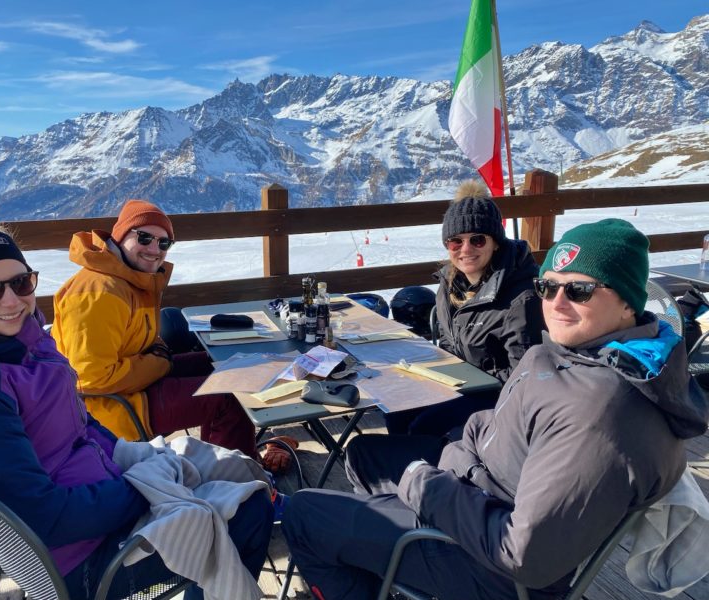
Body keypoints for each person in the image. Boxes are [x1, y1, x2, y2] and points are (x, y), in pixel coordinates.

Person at [282, 218, 709, 600]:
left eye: (579, 290)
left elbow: (525, 558)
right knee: (364, 456)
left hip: (493, 571)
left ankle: (382, 563)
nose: (557, 303)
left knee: (304, 514)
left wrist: (426, 486)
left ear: (628, 302)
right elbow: (488, 424)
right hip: (483, 490)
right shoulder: (571, 354)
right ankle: (380, 568)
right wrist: (457, 466)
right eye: (547, 286)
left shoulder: (599, 415)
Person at [0, 203, 274, 600]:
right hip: (80, 562)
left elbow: (78, 422)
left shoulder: (21, 341)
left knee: (233, 472)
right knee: (249, 511)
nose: (12, 301)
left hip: (97, 492)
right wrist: (141, 489)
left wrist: (134, 459)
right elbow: (45, 519)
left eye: (21, 283)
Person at [51, 199, 258, 456]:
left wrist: (159, 357)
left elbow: (146, 341)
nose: (154, 248)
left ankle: (218, 461)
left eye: (164, 243)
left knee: (219, 365)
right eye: (144, 237)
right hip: (112, 409)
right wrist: (161, 364)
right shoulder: (97, 292)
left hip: (133, 386)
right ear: (120, 236)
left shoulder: (130, 279)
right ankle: (242, 482)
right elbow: (92, 377)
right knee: (229, 396)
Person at [386, 179, 544, 435]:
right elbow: (449, 346)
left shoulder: (521, 297)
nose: (466, 249)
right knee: (397, 408)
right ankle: (409, 469)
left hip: (499, 395)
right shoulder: (450, 283)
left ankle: (436, 468)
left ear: (495, 242)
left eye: (478, 240)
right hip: (463, 383)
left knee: (423, 426)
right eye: (455, 242)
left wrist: (469, 385)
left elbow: (523, 375)